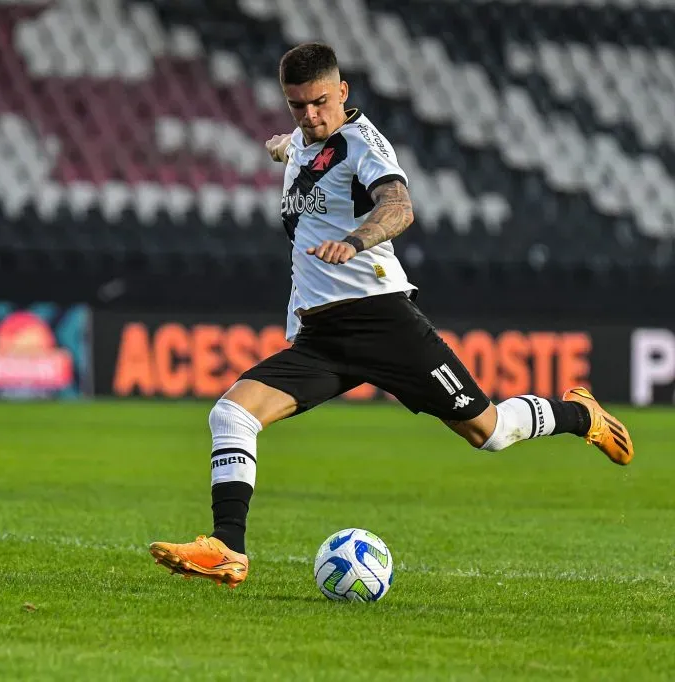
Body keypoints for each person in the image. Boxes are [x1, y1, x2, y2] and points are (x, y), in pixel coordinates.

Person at [148, 42, 633, 588]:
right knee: (230, 415)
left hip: (382, 321)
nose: (310, 116)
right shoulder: (307, 141)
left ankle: (580, 416)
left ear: (344, 92)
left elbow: (399, 205)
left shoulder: (362, 144)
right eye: (297, 106)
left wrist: (356, 241)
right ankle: (227, 549)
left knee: (490, 432)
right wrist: (285, 146)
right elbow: (303, 153)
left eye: (320, 103)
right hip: (322, 335)